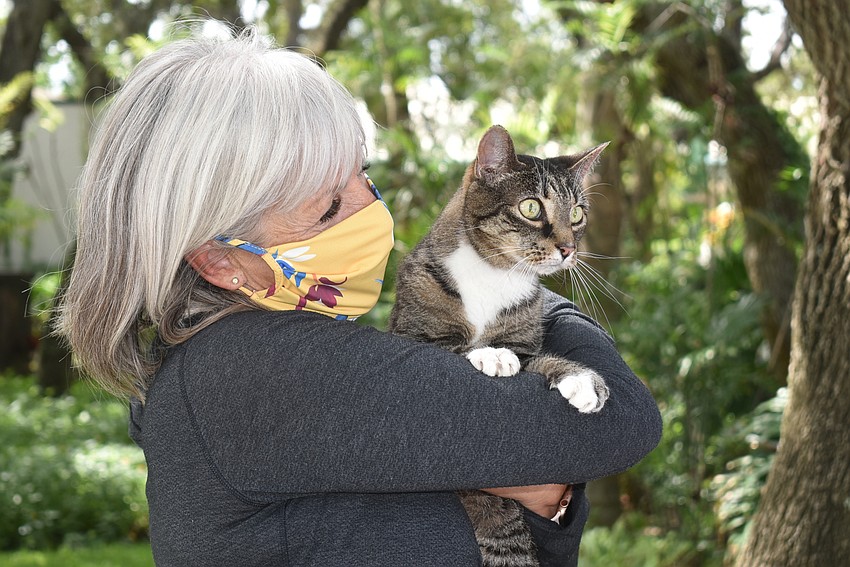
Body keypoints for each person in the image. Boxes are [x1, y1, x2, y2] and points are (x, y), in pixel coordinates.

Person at [56, 25, 662, 567]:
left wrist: (537, 492)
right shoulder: (257, 369)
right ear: (220, 259)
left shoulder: (228, 359)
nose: (372, 210)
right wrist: (526, 292)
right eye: (327, 208)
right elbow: (619, 423)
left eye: (363, 175)